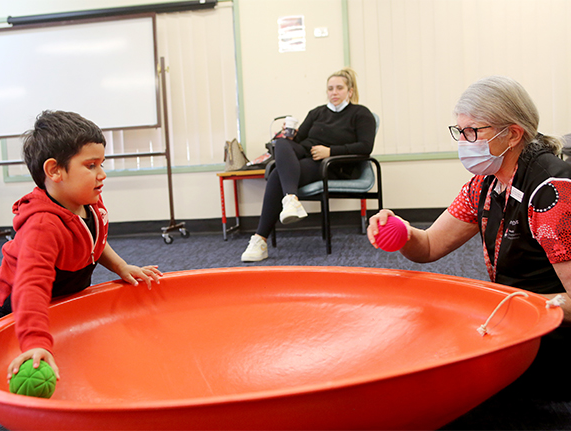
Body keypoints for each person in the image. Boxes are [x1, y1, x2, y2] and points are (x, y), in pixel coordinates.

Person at [367, 76, 571, 396]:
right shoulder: (485, 183)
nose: (464, 141)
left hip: (549, 334)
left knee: (438, 380)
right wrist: (403, 232)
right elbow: (431, 245)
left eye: (472, 132)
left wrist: (505, 306)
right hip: (511, 319)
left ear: (513, 134)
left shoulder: (551, 194)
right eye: (460, 132)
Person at [0, 110, 163, 382]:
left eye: (102, 164)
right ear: (55, 170)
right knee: (25, 375)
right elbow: (30, 287)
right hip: (17, 312)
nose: (102, 174)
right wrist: (34, 341)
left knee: (79, 367)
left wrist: (121, 266)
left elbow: (93, 241)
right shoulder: (43, 226)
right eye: (91, 165)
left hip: (60, 299)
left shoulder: (88, 203)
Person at [241, 67, 377, 262]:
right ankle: (291, 200)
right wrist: (290, 135)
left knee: (277, 175)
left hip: (331, 165)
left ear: (350, 91)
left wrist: (330, 151)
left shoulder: (360, 113)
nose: (334, 92)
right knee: (281, 143)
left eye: (339, 88)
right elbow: (298, 142)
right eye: (330, 88)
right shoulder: (316, 113)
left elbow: (365, 147)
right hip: (306, 156)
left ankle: (260, 239)